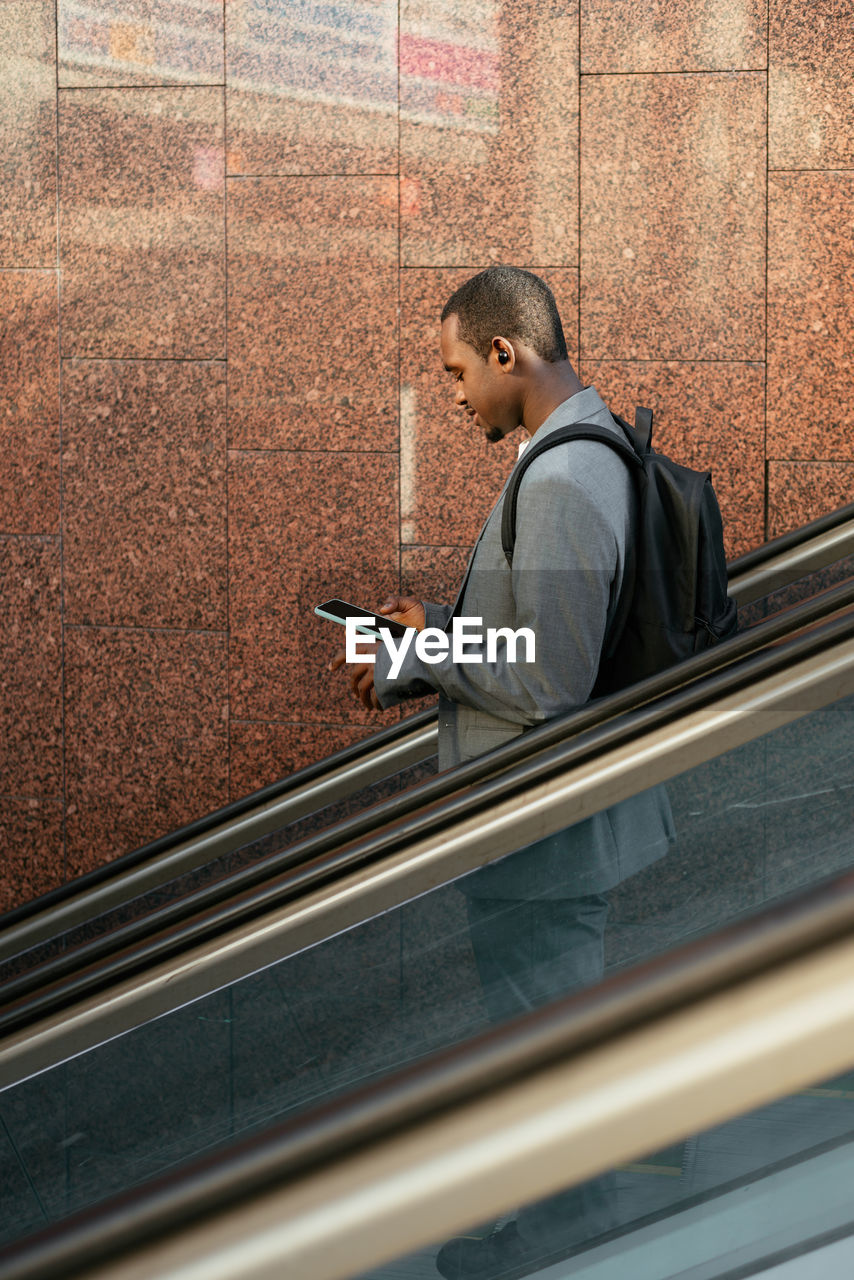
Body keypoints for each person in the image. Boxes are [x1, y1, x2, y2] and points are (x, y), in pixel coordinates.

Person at [332, 266, 674, 1277]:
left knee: (543, 1048)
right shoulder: (565, 456)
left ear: (503, 352)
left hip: (545, 839)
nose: (451, 395)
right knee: (539, 1040)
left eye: (454, 372)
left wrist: (427, 652)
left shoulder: (565, 477)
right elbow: (531, 638)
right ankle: (557, 1220)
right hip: (543, 836)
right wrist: (420, 643)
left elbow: (550, 679)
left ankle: (567, 1229)